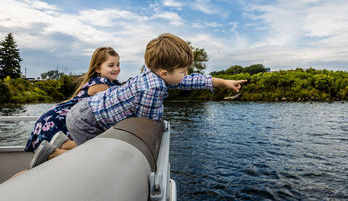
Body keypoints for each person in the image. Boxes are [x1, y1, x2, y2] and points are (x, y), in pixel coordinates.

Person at [66, 33, 247, 145]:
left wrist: (223, 81)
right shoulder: (153, 88)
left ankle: (60, 145)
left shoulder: (154, 73)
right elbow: (145, 125)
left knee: (102, 148)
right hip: (86, 121)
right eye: (184, 71)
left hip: (87, 111)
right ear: (165, 73)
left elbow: (189, 81)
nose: (186, 74)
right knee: (95, 157)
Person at [26, 47, 121, 168]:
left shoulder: (109, 83)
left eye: (118, 64)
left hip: (59, 118)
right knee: (90, 153)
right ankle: (52, 153)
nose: (116, 68)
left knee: (88, 151)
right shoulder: (101, 84)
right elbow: (114, 107)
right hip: (57, 122)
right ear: (97, 68)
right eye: (111, 65)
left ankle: (60, 145)